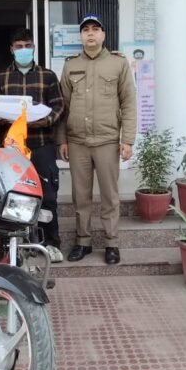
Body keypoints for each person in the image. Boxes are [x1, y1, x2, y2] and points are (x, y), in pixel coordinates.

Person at [57, 15, 137, 265]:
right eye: (85, 30)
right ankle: (83, 241)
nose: (90, 34)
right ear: (81, 36)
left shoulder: (118, 64)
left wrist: (127, 140)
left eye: (95, 29)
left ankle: (111, 243)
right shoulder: (70, 65)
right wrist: (62, 140)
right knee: (80, 196)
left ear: (103, 34)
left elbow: (128, 103)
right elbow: (62, 106)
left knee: (109, 196)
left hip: (107, 140)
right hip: (77, 141)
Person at [0, 28, 66, 262]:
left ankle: (51, 242)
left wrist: (43, 120)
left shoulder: (47, 76)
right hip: (11, 150)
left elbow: (59, 106)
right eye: (19, 46)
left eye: (27, 46)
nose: (23, 50)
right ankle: (18, 243)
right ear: (11, 49)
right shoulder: (0, 78)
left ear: (33, 48)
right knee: (11, 194)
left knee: (47, 195)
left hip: (41, 145)